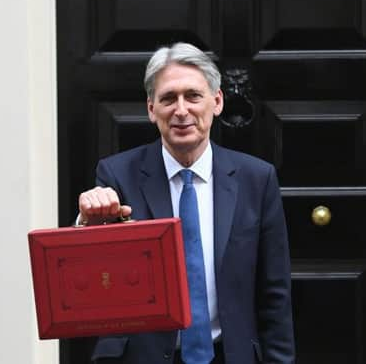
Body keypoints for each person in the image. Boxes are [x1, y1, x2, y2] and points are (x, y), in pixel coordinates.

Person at [77, 43, 295, 364]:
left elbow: (274, 293)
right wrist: (86, 224)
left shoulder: (256, 179)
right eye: (168, 98)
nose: (181, 110)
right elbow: (89, 284)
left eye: (193, 96)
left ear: (216, 102)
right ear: (151, 109)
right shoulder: (117, 175)